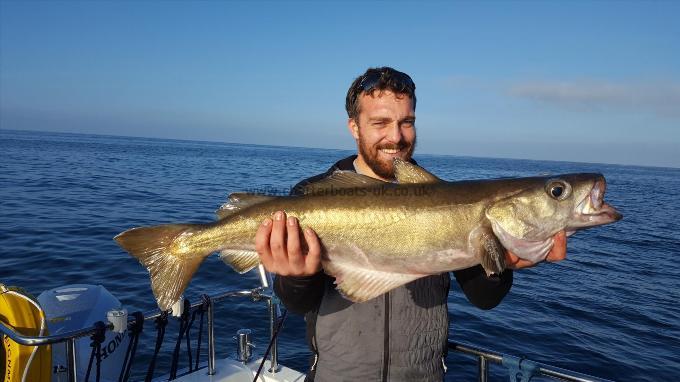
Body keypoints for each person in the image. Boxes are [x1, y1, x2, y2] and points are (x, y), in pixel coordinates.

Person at [254, 67, 567, 381]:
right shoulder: (311, 198)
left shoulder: (450, 202)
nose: (396, 137)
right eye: (380, 123)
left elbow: (485, 299)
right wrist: (296, 277)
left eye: (407, 122)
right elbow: (297, 303)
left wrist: (500, 264)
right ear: (354, 127)